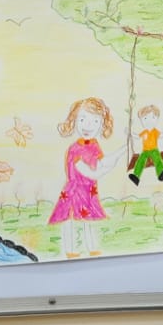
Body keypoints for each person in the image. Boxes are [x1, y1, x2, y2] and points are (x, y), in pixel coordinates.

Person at [48, 97, 113, 259]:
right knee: (69, 220)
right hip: (74, 189)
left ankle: (92, 248)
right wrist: (103, 170)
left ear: (102, 124)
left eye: (95, 121)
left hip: (89, 189)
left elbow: (99, 163)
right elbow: (88, 171)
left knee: (88, 220)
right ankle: (70, 250)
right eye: (82, 119)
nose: (87, 126)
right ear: (75, 120)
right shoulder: (74, 148)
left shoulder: (95, 145)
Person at [128, 104, 163, 184]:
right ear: (141, 120)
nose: (149, 121)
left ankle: (161, 173)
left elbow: (162, 135)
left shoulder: (155, 131)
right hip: (145, 151)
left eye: (153, 117)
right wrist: (129, 132)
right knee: (140, 161)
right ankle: (136, 176)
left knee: (157, 159)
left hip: (154, 149)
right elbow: (137, 136)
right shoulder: (144, 132)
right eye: (145, 118)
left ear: (157, 119)